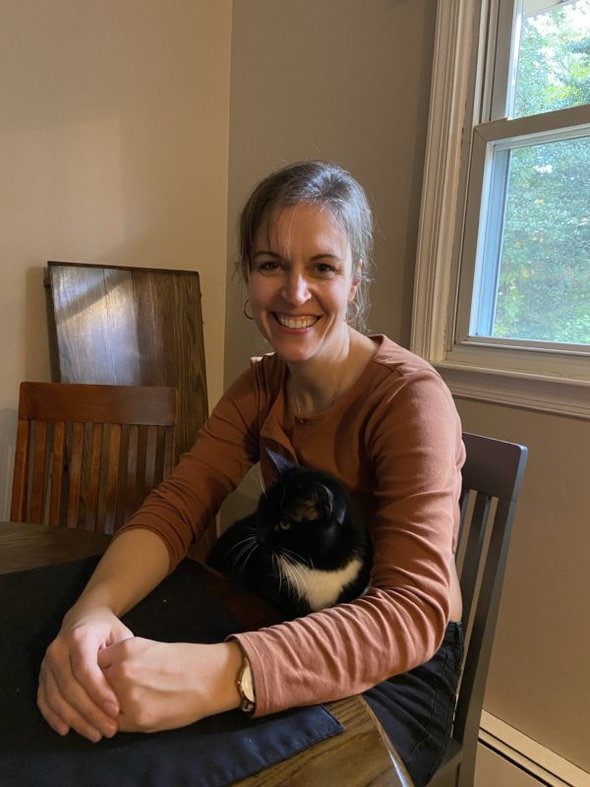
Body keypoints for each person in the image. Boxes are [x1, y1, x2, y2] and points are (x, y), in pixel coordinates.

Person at [38, 160, 465, 786]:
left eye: (322, 267)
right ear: (247, 275)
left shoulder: (410, 399)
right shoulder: (260, 384)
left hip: (402, 668)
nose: (294, 293)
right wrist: (90, 614)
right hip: (292, 619)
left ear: (354, 280)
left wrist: (225, 674)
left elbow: (411, 609)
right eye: (271, 265)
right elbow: (179, 503)